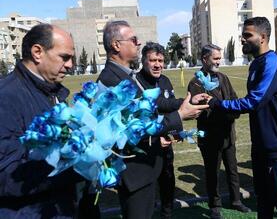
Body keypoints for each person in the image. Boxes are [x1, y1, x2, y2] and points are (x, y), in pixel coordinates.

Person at [97, 20, 208, 219]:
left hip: (145, 168)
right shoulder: (111, 80)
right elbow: (137, 127)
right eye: (133, 39)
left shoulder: (125, 76)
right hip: (135, 172)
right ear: (116, 45)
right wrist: (181, 115)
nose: (137, 43)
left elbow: (153, 106)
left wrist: (182, 104)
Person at [208, 17, 277, 218]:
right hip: (261, 143)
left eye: (248, 35)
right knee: (263, 198)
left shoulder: (272, 62)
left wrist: (217, 104)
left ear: (263, 37)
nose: (243, 39)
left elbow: (255, 101)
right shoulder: (256, 63)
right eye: (242, 35)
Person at [0, 24, 81, 217]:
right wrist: (73, 166)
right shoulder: (6, 97)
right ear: (38, 52)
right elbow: (7, 175)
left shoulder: (51, 90)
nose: (70, 65)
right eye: (65, 57)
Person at [188, 44, 251, 219]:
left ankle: (236, 200)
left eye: (219, 58)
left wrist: (231, 111)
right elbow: (201, 109)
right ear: (204, 59)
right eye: (215, 58)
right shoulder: (196, 82)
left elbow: (233, 98)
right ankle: (215, 205)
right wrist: (226, 112)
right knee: (212, 172)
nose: (218, 61)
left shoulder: (223, 77)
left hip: (228, 134)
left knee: (232, 169)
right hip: (210, 137)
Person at [135, 41, 192, 219]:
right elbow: (137, 119)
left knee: (167, 179)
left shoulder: (165, 80)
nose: (158, 64)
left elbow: (171, 109)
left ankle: (167, 213)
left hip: (166, 144)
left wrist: (174, 134)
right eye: (153, 60)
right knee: (147, 187)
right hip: (146, 147)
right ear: (143, 61)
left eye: (160, 60)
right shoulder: (135, 83)